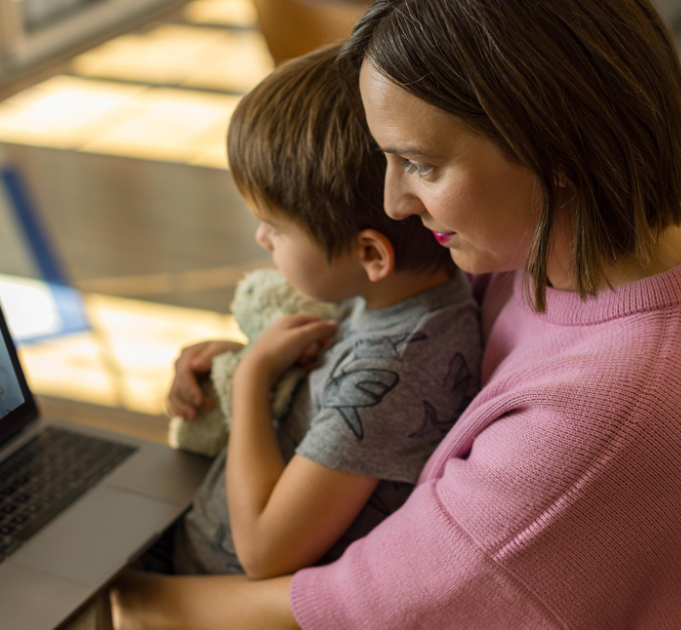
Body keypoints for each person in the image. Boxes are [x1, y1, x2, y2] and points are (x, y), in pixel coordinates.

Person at [109, 0, 681, 628]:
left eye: (420, 165)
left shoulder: (596, 417)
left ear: (557, 149)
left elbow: (358, 605)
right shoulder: (618, 237)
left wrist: (122, 594)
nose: (394, 202)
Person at [155, 43, 482, 580]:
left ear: (371, 254)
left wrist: (252, 381)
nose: (262, 238)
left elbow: (264, 551)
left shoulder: (398, 369)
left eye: (276, 228)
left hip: (212, 589)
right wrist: (243, 360)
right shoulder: (398, 307)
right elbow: (337, 391)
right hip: (196, 539)